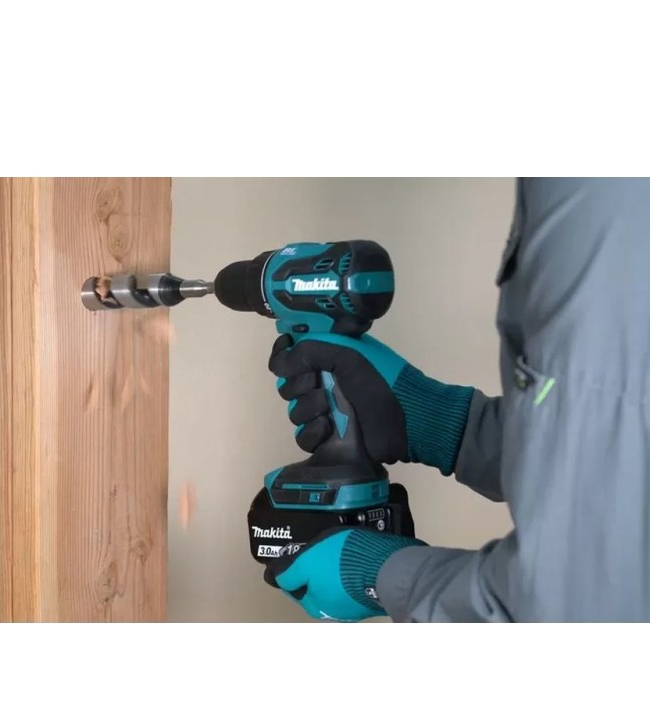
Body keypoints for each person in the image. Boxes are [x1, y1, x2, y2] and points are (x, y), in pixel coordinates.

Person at [265, 178, 650, 622]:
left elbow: (578, 601)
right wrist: (445, 423)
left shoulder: (597, 197)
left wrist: (378, 574)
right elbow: (613, 457)